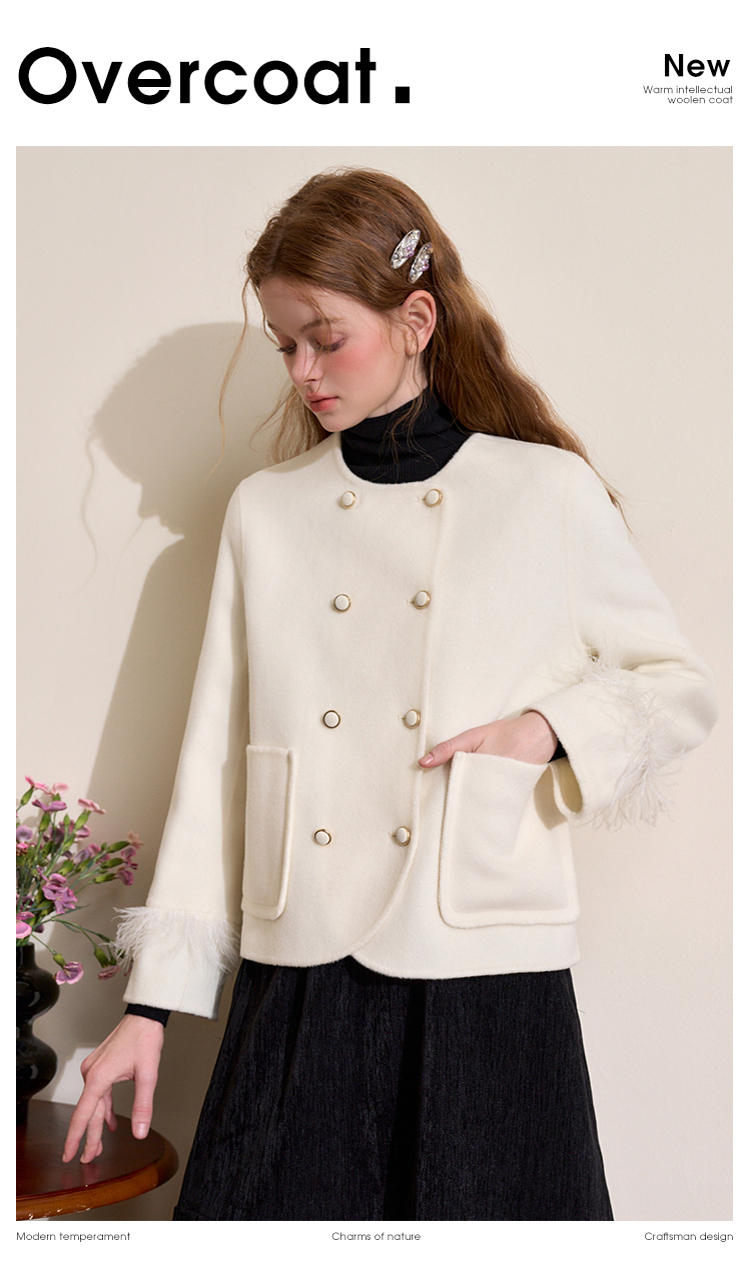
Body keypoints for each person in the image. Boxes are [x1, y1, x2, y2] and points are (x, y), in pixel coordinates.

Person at [63, 168, 717, 1220]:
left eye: (327, 338)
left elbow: (675, 686)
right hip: (302, 965)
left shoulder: (542, 490)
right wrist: (150, 1008)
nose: (303, 372)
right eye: (285, 345)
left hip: (483, 965)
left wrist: (544, 729)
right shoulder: (266, 512)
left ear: (416, 320)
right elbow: (216, 763)